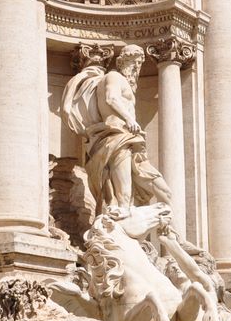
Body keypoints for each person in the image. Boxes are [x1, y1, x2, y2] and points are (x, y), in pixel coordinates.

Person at [62, 45, 171, 214]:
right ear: (122, 62)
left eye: (138, 64)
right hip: (116, 137)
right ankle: (116, 230)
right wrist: (129, 119)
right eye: (133, 63)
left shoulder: (123, 82)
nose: (136, 69)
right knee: (124, 197)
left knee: (165, 193)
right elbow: (110, 98)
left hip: (131, 140)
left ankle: (166, 233)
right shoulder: (114, 76)